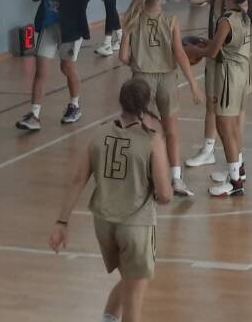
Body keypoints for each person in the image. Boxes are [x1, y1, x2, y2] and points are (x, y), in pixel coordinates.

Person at [49, 78, 172, 322]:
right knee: (135, 296)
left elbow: (77, 180)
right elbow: (166, 194)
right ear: (146, 104)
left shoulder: (99, 133)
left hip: (104, 223)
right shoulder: (151, 140)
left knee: (129, 278)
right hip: (135, 224)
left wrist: (62, 222)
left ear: (121, 102)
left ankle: (108, 318)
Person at [118, 0, 202, 197]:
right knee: (172, 131)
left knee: (142, 131)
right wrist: (193, 83)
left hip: (141, 80)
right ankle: (176, 179)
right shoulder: (171, 20)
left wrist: (139, 61)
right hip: (167, 78)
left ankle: (144, 178)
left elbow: (123, 56)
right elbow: (180, 53)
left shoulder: (132, 20)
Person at [184, 0, 252, 197]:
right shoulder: (243, 16)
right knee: (233, 127)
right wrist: (205, 44)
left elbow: (212, 52)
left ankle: (235, 183)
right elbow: (223, 44)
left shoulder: (226, 20)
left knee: (226, 129)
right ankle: (238, 170)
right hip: (242, 75)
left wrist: (191, 49)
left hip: (229, 78)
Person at [16, 0, 92, 132]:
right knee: (40, 70)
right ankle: (34, 114)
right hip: (49, 26)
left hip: (69, 29)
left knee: (67, 68)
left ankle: (74, 105)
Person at [184, 0, 239, 169]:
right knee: (211, 104)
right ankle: (208, 150)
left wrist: (198, 49)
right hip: (214, 59)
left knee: (231, 112)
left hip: (231, 62)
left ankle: (236, 162)